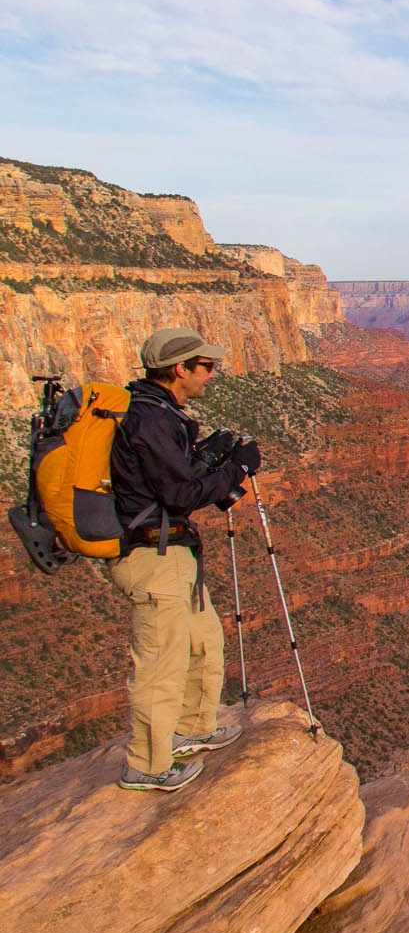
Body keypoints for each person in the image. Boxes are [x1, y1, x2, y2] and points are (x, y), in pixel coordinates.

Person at [108, 328, 261, 793]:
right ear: (181, 369)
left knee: (203, 642)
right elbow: (179, 493)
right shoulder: (150, 419)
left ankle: (194, 728)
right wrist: (236, 471)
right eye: (206, 367)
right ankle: (147, 764)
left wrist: (212, 456)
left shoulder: (163, 413)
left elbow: (172, 478)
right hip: (152, 559)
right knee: (161, 663)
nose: (211, 375)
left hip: (174, 555)